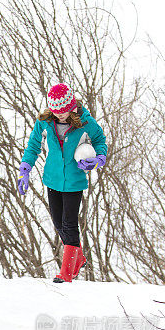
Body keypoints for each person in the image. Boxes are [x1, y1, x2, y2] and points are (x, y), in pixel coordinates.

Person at [18, 83, 108, 283]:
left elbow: (101, 141)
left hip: (74, 181)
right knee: (58, 222)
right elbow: (33, 146)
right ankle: (79, 257)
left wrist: (99, 159)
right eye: (56, 112)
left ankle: (67, 272)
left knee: (69, 224)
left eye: (64, 112)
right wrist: (25, 169)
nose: (60, 116)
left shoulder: (86, 123)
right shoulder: (44, 123)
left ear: (72, 107)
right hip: (53, 179)